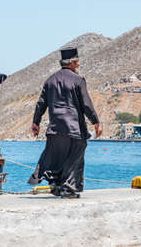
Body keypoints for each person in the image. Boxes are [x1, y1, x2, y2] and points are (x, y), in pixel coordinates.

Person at [28, 46, 102, 198]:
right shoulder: (78, 80)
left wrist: (36, 122)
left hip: (55, 128)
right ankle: (68, 189)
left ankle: (56, 186)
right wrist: (96, 122)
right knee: (75, 156)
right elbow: (86, 104)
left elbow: (41, 103)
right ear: (73, 63)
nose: (79, 65)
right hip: (74, 128)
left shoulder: (50, 80)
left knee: (56, 156)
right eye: (78, 62)